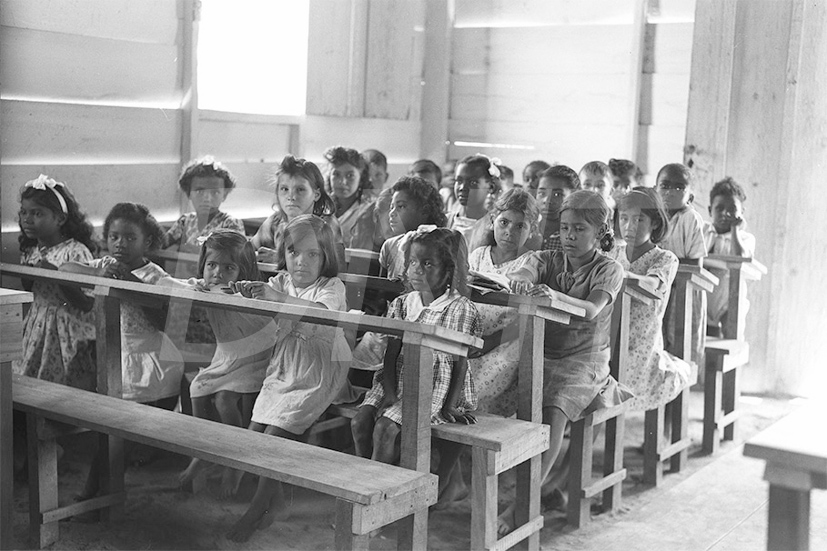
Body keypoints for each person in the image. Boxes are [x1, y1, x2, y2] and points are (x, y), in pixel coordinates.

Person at [503, 190, 630, 535]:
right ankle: (529, 483)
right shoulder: (548, 258)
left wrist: (554, 295)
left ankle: (521, 504)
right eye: (564, 228)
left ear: (601, 233)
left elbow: (590, 310)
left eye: (579, 230)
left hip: (585, 358)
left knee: (554, 410)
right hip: (544, 351)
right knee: (501, 394)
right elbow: (526, 273)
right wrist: (523, 281)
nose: (569, 237)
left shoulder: (609, 268)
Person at [226, 214, 355, 542]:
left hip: (321, 369)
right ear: (283, 253)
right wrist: (249, 295)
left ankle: (257, 509)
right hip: (285, 366)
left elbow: (320, 314)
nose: (301, 262)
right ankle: (278, 499)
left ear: (326, 256)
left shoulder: (330, 287)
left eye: (313, 254)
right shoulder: (280, 282)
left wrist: (275, 298)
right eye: (294, 253)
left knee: (275, 435)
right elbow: (262, 320)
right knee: (255, 434)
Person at [62, 202, 185, 500]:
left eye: (130, 238)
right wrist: (97, 284)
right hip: (116, 360)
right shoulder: (105, 265)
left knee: (115, 430)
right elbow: (66, 270)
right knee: (114, 429)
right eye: (114, 236)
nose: (121, 244)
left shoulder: (155, 275)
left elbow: (162, 319)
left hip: (150, 364)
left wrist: (125, 280)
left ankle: (95, 494)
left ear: (148, 243)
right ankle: (104, 491)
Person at [351, 228, 481, 504]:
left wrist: (450, 405)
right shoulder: (401, 303)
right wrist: (388, 390)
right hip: (395, 375)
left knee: (385, 429)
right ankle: (369, 484)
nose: (416, 270)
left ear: (447, 271)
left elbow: (460, 361)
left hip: (435, 384)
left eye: (427, 264)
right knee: (359, 421)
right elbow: (392, 351)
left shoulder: (460, 308)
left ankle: (378, 503)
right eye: (412, 262)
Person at [162, 230, 277, 498]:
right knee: (197, 390)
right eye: (211, 265)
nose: (218, 273)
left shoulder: (245, 293)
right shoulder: (204, 287)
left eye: (228, 267)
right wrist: (194, 288)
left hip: (258, 357)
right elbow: (172, 284)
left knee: (225, 401)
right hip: (226, 356)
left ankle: (233, 462)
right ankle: (205, 451)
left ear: (243, 270)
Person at [609, 189, 692, 410]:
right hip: (608, 335)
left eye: (639, 219)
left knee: (610, 386)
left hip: (640, 342)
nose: (629, 226)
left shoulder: (664, 258)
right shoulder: (613, 254)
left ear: (654, 223)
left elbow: (654, 283)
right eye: (624, 219)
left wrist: (621, 276)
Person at [13, 174, 98, 390]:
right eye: (24, 212)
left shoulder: (75, 251)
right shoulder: (32, 250)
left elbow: (87, 303)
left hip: (66, 330)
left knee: (61, 386)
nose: (27, 219)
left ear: (60, 219)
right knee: (29, 378)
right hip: (37, 325)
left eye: (37, 213)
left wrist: (57, 276)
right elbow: (30, 290)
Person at [468, 188, 539, 417]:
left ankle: (473, 445)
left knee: (479, 386)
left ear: (532, 229)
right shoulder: (478, 256)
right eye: (504, 222)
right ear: (492, 221)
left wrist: (491, 341)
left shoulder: (530, 263)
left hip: (505, 341)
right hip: (471, 335)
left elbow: (527, 319)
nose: (509, 231)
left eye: (520, 226)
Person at [249, 155, 346, 270]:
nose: (291, 197)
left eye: (300, 189)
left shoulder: (326, 224)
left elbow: (335, 268)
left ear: (316, 195)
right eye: (284, 189)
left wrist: (280, 259)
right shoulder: (275, 222)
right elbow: (248, 250)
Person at [656, 163, 707, 358]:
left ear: (690, 197)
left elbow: (696, 264)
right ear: (655, 190)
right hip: (659, 287)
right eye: (665, 186)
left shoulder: (690, 218)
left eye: (679, 187)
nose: (671, 192)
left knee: (680, 344)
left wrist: (664, 262)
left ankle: (680, 386)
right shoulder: (653, 218)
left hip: (683, 290)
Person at [703, 177, 756, 338]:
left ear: (741, 213)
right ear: (710, 210)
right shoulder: (702, 231)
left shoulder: (745, 238)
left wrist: (734, 231)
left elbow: (739, 257)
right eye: (719, 208)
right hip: (704, 299)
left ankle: (731, 359)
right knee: (702, 342)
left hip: (728, 300)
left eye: (732, 209)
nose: (725, 213)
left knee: (730, 338)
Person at [162, 156, 245, 253]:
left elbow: (235, 255)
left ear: (224, 195)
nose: (207, 199)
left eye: (215, 193)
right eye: (199, 192)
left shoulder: (229, 223)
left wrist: (190, 250)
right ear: (189, 193)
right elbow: (161, 244)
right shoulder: (185, 222)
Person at [379, 176, 448, 279]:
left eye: (401, 206)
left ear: (425, 210)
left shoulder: (442, 245)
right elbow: (380, 287)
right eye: (391, 207)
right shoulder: (390, 245)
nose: (392, 213)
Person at [325, 145, 375, 248]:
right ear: (329, 176)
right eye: (336, 174)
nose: (342, 182)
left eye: (350, 176)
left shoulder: (370, 211)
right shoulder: (320, 207)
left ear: (361, 178)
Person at [449, 153, 502, 249]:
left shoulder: (494, 227)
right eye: (459, 181)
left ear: (490, 187)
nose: (462, 188)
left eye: (472, 183)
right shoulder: (447, 221)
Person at [534, 165, 580, 253]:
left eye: (557, 195)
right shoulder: (527, 231)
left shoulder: (576, 238)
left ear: (575, 197)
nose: (547, 200)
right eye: (541, 193)